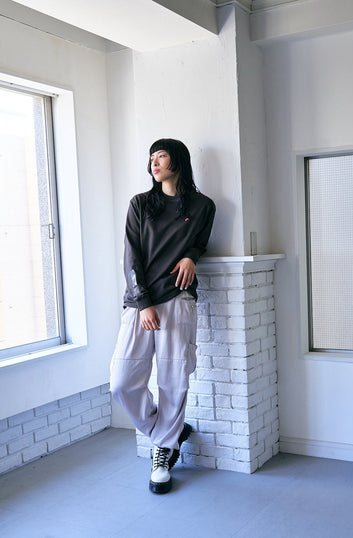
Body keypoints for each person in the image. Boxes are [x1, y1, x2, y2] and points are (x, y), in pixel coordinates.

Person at [110, 138, 216, 494]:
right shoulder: (140, 204)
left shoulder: (203, 206)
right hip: (141, 304)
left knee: (174, 381)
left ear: (178, 161)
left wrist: (191, 257)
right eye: (151, 157)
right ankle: (168, 433)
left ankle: (163, 453)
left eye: (162, 156)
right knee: (122, 382)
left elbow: (200, 242)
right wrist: (143, 302)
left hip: (178, 299)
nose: (154, 163)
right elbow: (131, 256)